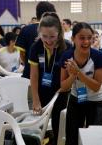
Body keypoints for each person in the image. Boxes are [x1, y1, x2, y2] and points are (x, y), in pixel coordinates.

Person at [60, 22, 102, 145]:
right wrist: (72, 76)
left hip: (97, 101)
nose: (86, 41)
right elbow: (64, 87)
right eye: (82, 38)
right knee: (71, 138)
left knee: (93, 139)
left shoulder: (99, 57)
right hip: (76, 99)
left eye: (89, 38)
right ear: (73, 39)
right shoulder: (66, 56)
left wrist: (78, 73)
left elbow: (96, 87)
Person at [29, 12, 71, 145]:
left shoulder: (67, 47)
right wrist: (35, 99)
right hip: (41, 93)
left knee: (61, 130)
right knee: (41, 130)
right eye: (44, 36)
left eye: (52, 36)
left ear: (59, 33)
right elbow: (34, 75)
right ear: (39, 33)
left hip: (62, 94)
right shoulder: (36, 47)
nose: (48, 40)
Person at [15, 1, 56, 79]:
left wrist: (29, 63)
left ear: (37, 13)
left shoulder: (26, 29)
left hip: (29, 73)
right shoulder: (55, 30)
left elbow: (22, 54)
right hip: (48, 74)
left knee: (31, 90)